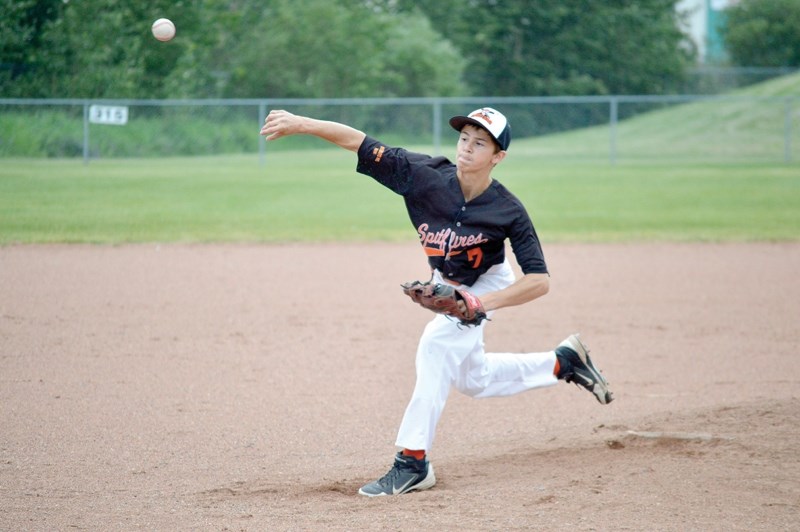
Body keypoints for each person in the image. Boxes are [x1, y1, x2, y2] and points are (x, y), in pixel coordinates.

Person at [259, 107, 613, 497]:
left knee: (435, 345)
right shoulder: (421, 174)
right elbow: (358, 141)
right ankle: (564, 361)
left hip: (488, 282)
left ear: (498, 157)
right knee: (472, 379)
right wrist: (302, 124)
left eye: (480, 143)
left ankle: (413, 461)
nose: (467, 147)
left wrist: (479, 303)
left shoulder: (508, 210)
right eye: (464, 138)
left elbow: (539, 281)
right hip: (447, 281)